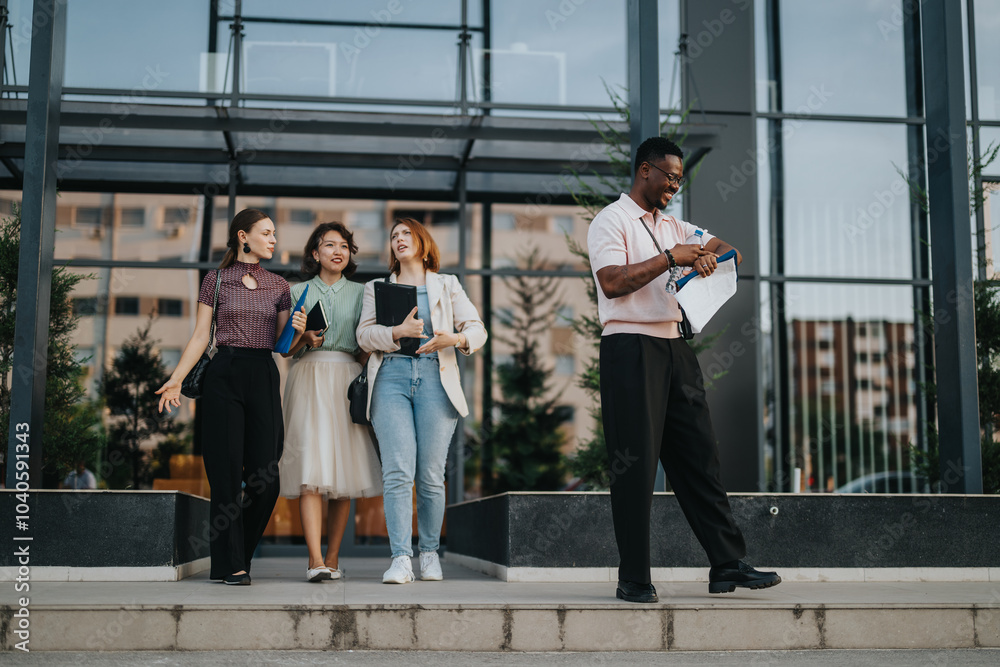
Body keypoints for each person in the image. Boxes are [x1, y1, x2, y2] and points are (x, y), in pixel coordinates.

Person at [587, 136, 781, 601]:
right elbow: (613, 283)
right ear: (645, 172)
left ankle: (727, 564)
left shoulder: (674, 225)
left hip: (675, 350)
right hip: (629, 348)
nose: (676, 183)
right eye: (670, 176)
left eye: (680, 177)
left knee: (700, 460)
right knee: (634, 468)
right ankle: (633, 577)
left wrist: (711, 256)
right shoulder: (611, 221)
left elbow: (726, 247)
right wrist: (672, 258)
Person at [156, 208, 306, 586]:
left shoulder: (279, 285)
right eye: (266, 232)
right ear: (243, 236)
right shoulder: (217, 280)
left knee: (266, 476)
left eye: (274, 233)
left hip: (263, 372)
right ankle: (233, 565)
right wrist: (176, 379)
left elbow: (283, 347)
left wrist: (302, 333)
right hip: (224, 373)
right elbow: (199, 336)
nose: (273, 239)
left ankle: (234, 557)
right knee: (225, 474)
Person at [356, 218, 487, 584]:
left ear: (422, 241)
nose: (399, 239)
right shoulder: (377, 288)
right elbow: (364, 336)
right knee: (397, 472)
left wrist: (456, 340)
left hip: (435, 377)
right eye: (394, 236)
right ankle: (400, 558)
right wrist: (397, 332)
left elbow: (478, 329)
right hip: (392, 378)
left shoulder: (447, 284)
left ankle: (429, 554)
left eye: (406, 234)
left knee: (430, 475)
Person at [278, 222, 382, 583]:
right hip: (307, 376)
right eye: (329, 245)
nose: (338, 251)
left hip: (347, 378)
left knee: (345, 471)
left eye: (344, 245)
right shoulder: (297, 292)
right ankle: (315, 560)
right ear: (314, 253)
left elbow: (368, 344)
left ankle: (334, 559)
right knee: (309, 467)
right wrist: (304, 337)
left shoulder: (365, 292)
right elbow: (284, 350)